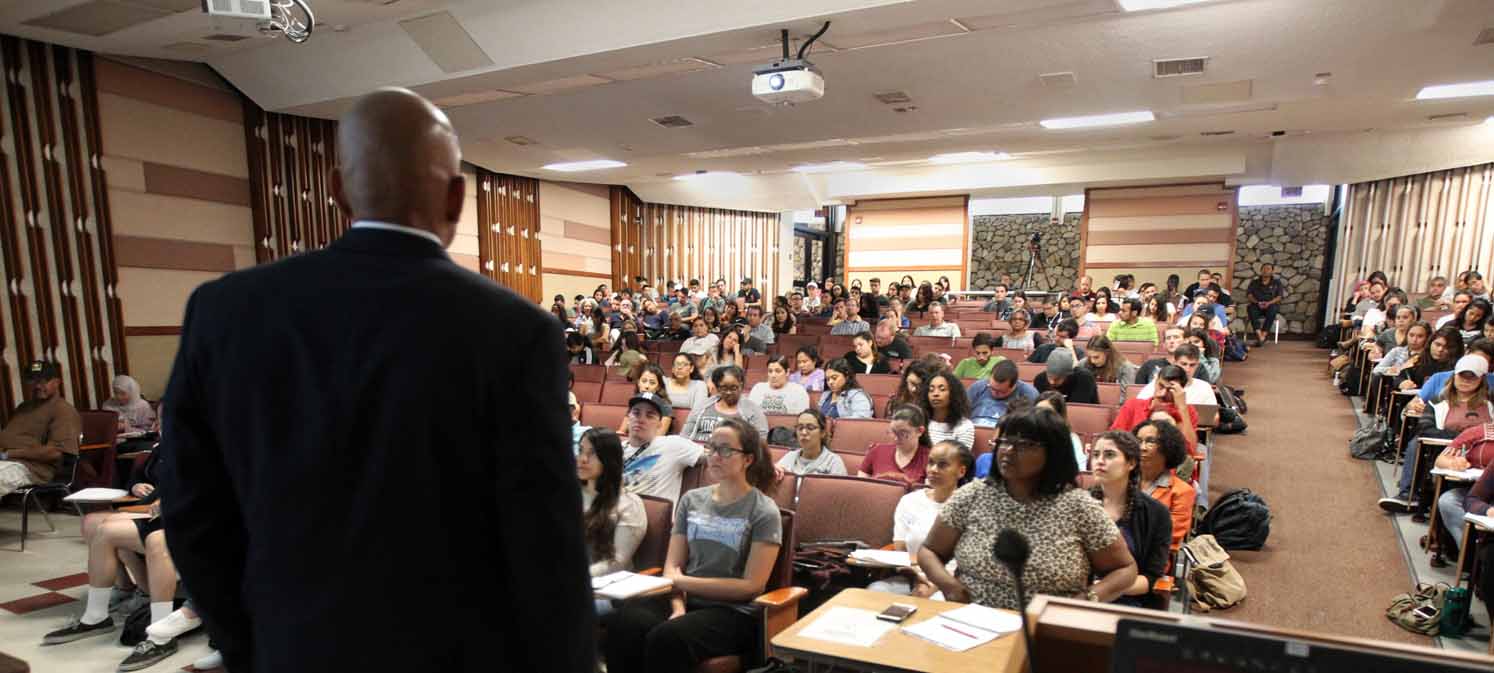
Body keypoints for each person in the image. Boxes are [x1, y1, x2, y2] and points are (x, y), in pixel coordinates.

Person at [156, 89, 593, 673]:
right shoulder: (515, 330)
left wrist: (247, 641)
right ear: (457, 196)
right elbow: (544, 543)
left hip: (292, 643)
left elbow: (190, 507)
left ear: (337, 188)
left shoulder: (225, 310)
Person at [603, 419, 782, 673]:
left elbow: (750, 586)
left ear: (748, 460)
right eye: (711, 448)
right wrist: (679, 606)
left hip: (734, 614)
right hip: (685, 600)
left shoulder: (763, 511)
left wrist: (681, 582)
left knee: (667, 638)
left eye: (725, 450)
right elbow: (672, 567)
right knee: (626, 621)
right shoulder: (692, 500)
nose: (714, 456)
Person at [917, 408, 1137, 609]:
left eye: (1024, 444)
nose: (1008, 450)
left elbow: (1125, 570)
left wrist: (1088, 599)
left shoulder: (1079, 507)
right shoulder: (972, 495)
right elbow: (930, 551)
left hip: (1046, 629)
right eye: (1004, 441)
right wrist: (950, 587)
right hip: (972, 621)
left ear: (1053, 452)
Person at [867, 440, 974, 596]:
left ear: (961, 471)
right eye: (931, 463)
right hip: (911, 575)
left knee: (936, 602)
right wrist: (917, 576)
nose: (933, 470)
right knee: (876, 591)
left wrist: (933, 585)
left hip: (950, 583)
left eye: (942, 465)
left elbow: (962, 561)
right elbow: (900, 546)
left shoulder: (968, 507)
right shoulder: (910, 500)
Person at [1087, 431, 1171, 608]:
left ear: (1131, 463)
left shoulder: (1156, 513)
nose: (1099, 461)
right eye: (1095, 455)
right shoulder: (1078, 505)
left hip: (1127, 601)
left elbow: (1150, 578)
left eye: (1109, 455)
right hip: (1078, 597)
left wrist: (1102, 589)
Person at [579, 428, 647, 613]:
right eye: (580, 451)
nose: (582, 459)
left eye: (591, 454)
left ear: (608, 459)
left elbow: (617, 562)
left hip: (604, 590)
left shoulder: (629, 504)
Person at [0, 361, 81, 499]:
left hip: (30, 467)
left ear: (56, 382)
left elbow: (56, 452)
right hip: (7, 461)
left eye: (43, 381)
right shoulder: (24, 407)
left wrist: (9, 454)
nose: (37, 386)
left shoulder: (63, 410)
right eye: (32, 381)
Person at [1429, 421, 1494, 563]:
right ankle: (1469, 556)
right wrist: (1453, 463)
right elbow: (1440, 459)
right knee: (1448, 500)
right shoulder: (1478, 432)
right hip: (1479, 491)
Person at [1134, 419, 1196, 550]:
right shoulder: (1121, 480)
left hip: (1149, 559)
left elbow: (1170, 537)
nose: (1142, 447)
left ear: (1167, 447)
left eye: (1150, 441)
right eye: (1138, 441)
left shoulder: (1182, 492)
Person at [683, 366, 770, 442]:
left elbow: (760, 441)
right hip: (697, 453)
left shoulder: (753, 410)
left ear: (741, 385)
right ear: (718, 387)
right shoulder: (703, 406)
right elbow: (685, 435)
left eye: (734, 388)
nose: (729, 392)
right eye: (724, 388)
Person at [859, 406, 934, 487]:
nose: (896, 438)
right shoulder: (877, 451)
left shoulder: (930, 458)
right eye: (893, 432)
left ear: (920, 431)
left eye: (903, 433)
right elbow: (862, 486)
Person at [1134, 343, 1215, 406]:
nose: (1187, 369)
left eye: (1192, 365)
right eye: (1183, 364)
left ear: (1197, 365)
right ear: (1174, 363)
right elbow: (1139, 404)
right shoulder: (1160, 383)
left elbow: (1214, 417)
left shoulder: (1204, 387)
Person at [775, 409, 848, 476]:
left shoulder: (833, 462)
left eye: (810, 428)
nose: (804, 432)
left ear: (822, 433)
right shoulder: (790, 456)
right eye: (800, 428)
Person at [968, 360, 1038, 427]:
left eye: (1001, 391)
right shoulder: (978, 387)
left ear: (1014, 385)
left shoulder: (1029, 394)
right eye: (991, 388)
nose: (995, 393)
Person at [921, 370, 975, 449]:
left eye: (942, 389)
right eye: (931, 390)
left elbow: (962, 459)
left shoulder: (964, 425)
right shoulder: (920, 421)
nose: (935, 394)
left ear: (954, 394)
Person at [618, 364, 674, 435]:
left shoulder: (665, 405)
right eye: (644, 381)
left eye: (652, 383)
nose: (647, 386)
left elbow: (659, 435)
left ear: (658, 387)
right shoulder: (635, 401)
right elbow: (622, 431)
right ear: (638, 383)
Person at [1034, 349, 1100, 404]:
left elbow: (1078, 409)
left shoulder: (1084, 379)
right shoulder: (1040, 379)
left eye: (1057, 379)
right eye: (1049, 376)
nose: (1052, 382)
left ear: (1068, 375)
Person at [103, 375, 156, 440]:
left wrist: (127, 428)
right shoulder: (108, 405)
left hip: (139, 440)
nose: (119, 397)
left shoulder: (143, 405)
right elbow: (104, 427)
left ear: (132, 392)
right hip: (115, 441)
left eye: (123, 393)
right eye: (115, 393)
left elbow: (149, 429)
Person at [1245, 263, 1286, 347]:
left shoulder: (1276, 283)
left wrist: (1269, 303)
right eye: (1264, 269)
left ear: (1272, 271)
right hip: (1257, 304)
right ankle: (1260, 336)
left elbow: (1279, 296)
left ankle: (1262, 335)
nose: (1265, 270)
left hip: (1270, 305)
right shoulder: (1254, 282)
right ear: (1261, 270)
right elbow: (1249, 295)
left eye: (1268, 269)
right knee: (1250, 309)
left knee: (1273, 310)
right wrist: (1257, 302)